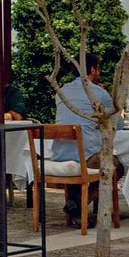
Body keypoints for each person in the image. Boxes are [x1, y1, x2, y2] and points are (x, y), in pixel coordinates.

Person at [54, 59, 119, 228]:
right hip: (86, 156)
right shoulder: (99, 93)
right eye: (98, 68)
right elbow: (117, 124)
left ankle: (75, 203)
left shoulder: (60, 91)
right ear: (92, 69)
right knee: (116, 165)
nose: (99, 72)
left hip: (59, 156)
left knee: (103, 162)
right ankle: (78, 203)